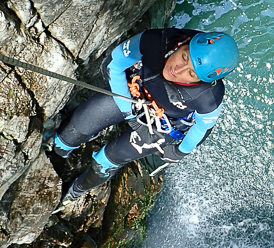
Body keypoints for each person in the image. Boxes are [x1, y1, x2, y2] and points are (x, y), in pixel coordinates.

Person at [46, 28, 239, 207]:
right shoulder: (156, 41)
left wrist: (179, 151)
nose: (178, 70)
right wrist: (130, 116)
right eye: (184, 57)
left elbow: (201, 129)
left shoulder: (210, 97)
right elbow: (112, 66)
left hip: (162, 125)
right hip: (133, 93)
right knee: (75, 129)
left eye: (191, 74)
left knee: (106, 161)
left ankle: (75, 190)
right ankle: (58, 152)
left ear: (202, 81)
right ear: (184, 42)